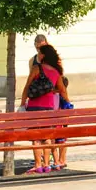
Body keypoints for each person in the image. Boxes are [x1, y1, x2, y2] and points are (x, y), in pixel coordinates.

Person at [19, 44, 70, 173]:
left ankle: (38, 165)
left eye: (40, 53)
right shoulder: (56, 72)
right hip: (48, 107)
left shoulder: (37, 68)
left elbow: (27, 86)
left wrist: (22, 103)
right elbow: (63, 91)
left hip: (34, 106)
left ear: (44, 55)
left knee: (36, 137)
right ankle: (47, 164)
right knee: (47, 136)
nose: (38, 56)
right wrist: (67, 104)